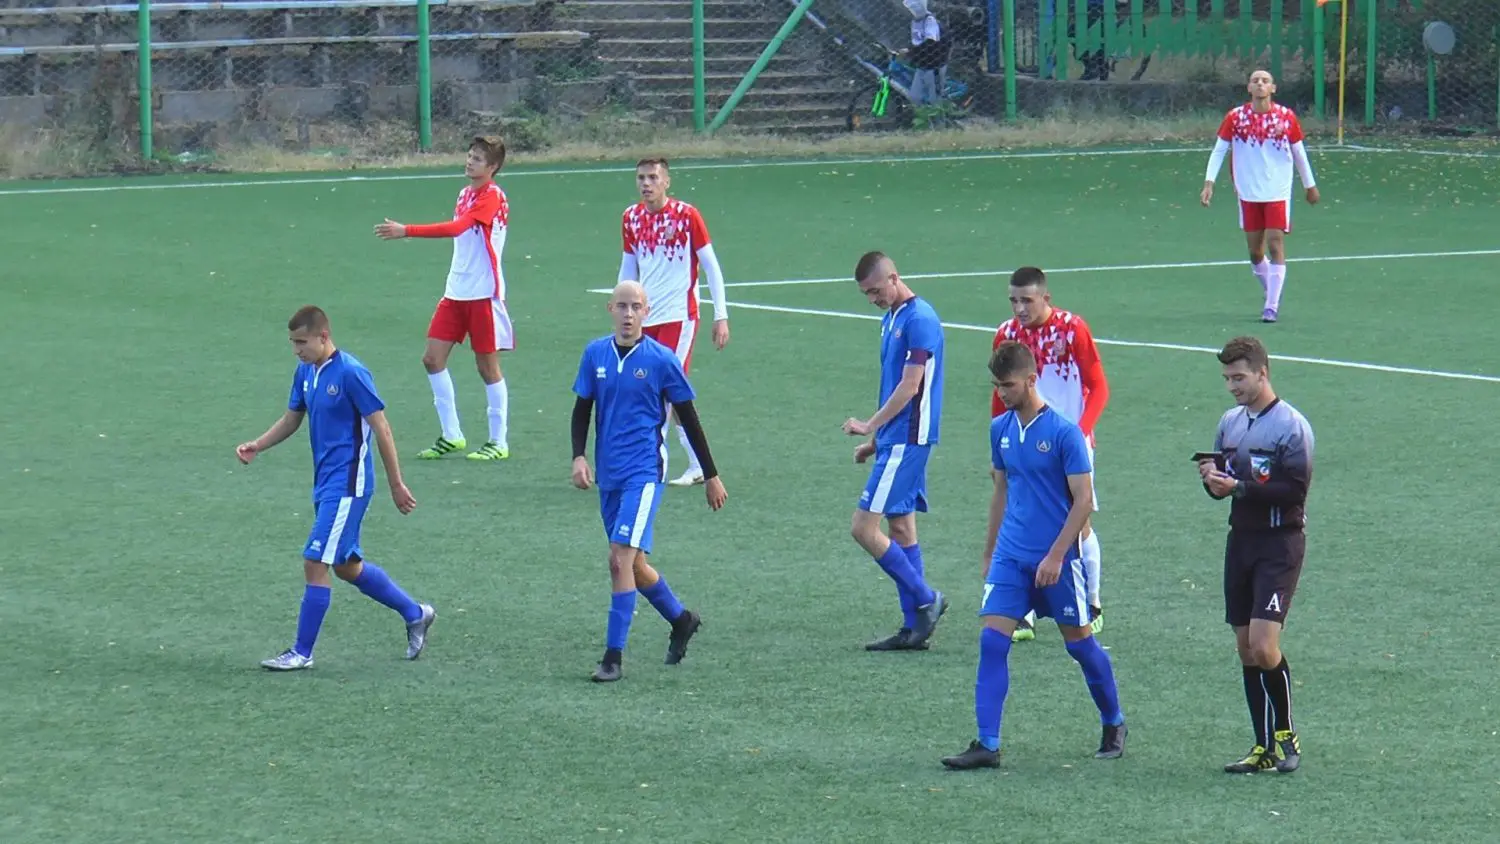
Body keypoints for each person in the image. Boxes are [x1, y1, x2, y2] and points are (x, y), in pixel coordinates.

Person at [941, 341, 1126, 770]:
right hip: (1011, 556)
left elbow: (1084, 501)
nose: (1002, 393)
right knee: (992, 641)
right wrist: (989, 552)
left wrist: (1056, 556)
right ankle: (987, 744)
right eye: (996, 385)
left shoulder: (1064, 434)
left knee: (1080, 645)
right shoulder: (999, 430)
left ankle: (1114, 722)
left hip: (1058, 561)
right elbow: (1000, 492)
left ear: (1030, 380)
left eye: (1008, 385)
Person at [236, 306, 436, 671]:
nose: (296, 350)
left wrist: (396, 483)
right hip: (325, 483)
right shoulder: (306, 371)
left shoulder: (351, 373)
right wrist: (258, 445)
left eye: (302, 342)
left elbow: (382, 428)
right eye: (292, 343)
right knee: (346, 566)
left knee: (315, 561)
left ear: (323, 337)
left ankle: (301, 652)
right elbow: (292, 418)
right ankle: (415, 613)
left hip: (347, 484)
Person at [571, 281, 728, 683]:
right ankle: (681, 619)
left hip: (643, 474)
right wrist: (578, 457)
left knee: (619, 560)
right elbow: (582, 409)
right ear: (610, 309)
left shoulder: (661, 360)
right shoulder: (595, 354)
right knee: (634, 565)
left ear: (647, 311)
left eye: (635, 307)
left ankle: (613, 658)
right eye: (622, 306)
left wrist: (711, 475)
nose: (628, 314)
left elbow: (689, 418)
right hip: (609, 474)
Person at [1197, 335, 1313, 774]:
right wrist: (1212, 481)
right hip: (1241, 542)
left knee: (1265, 646)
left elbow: (1294, 491)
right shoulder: (1229, 422)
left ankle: (1286, 734)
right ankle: (1262, 747)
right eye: (1227, 379)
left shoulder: (1291, 426)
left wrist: (1239, 487)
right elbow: (1222, 488)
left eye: (1239, 378)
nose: (1232, 387)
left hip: (1279, 544)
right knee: (1246, 648)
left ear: (1262, 373)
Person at [375, 135, 514, 462]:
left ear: (493, 167)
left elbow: (457, 228)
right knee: (432, 359)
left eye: (478, 159)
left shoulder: (493, 196)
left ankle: (498, 441)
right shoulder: (465, 193)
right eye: (470, 155)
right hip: (456, 291)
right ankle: (452, 435)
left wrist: (407, 230)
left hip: (483, 294)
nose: (470, 162)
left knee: (487, 367)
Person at [991, 267, 1109, 642]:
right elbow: (1000, 393)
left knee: (1079, 523)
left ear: (1046, 298)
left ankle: (1091, 603)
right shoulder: (1005, 334)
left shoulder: (1072, 330)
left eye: (1026, 300)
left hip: (1068, 443)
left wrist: (1080, 433)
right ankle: (1022, 612)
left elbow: (1098, 386)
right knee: (1021, 516)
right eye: (1013, 300)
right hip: (1022, 443)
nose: (1019, 308)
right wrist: (998, 445)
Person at [842, 251, 947, 651]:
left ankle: (926, 598)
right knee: (901, 528)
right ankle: (914, 628)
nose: (873, 299)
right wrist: (875, 442)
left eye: (875, 291)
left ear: (893, 277)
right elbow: (891, 384)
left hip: (909, 439)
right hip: (895, 439)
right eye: (866, 295)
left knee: (863, 528)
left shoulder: (920, 320)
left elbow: (910, 386)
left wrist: (869, 425)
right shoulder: (892, 319)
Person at [618, 157, 730, 488]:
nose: (646, 183)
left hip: (679, 318)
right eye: (641, 177)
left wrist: (721, 315)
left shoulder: (686, 216)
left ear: (666, 181)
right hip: (645, 319)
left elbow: (711, 266)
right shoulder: (631, 217)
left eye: (653, 177)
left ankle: (651, 464)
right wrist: (624, 309)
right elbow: (628, 267)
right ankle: (698, 464)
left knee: (660, 390)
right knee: (670, 393)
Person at [1201, 70, 1320, 324]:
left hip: (1277, 189)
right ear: (1249, 88)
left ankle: (1271, 306)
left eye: (1265, 81)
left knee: (1275, 243)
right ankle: (1272, 290)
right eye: (1255, 81)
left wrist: (1309, 185)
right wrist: (1209, 182)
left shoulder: (1286, 117)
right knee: (1255, 252)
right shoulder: (1236, 117)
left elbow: (1298, 152)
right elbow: (1219, 150)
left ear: (1273, 88)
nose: (1260, 84)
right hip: (1248, 191)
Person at [902, 0, 947, 105]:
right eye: (911, 8)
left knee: (933, 99)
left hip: (933, 64)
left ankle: (937, 114)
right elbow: (916, 41)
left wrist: (910, 52)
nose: (913, 10)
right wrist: (909, 50)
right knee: (915, 96)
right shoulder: (916, 21)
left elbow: (930, 43)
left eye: (915, 7)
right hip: (923, 63)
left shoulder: (930, 21)